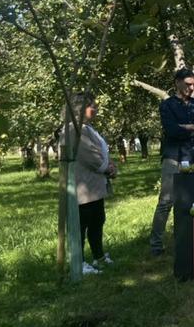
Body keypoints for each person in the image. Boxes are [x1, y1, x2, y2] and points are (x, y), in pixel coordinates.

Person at [149, 69, 194, 257]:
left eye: (193, 84)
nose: (191, 88)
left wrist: (191, 126)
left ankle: (192, 238)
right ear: (177, 82)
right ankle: (156, 245)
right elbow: (171, 131)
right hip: (174, 157)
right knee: (166, 201)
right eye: (187, 84)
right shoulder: (167, 105)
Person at [65, 93, 118, 274]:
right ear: (79, 108)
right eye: (91, 106)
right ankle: (78, 263)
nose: (95, 109)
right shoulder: (74, 129)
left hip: (94, 185)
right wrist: (107, 168)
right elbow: (90, 156)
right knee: (82, 225)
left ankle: (98, 256)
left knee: (97, 221)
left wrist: (109, 165)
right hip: (84, 185)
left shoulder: (86, 128)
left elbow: (99, 153)